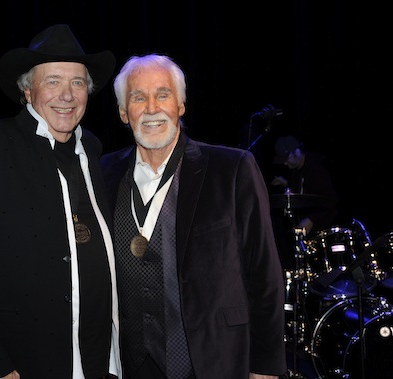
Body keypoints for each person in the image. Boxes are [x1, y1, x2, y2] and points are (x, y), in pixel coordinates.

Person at [0, 24, 122, 379]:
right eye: (53, 81)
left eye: (77, 83)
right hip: (24, 361)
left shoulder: (95, 151)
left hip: (101, 357)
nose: (66, 95)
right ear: (27, 90)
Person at [101, 54, 287, 378]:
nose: (151, 108)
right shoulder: (102, 173)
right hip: (129, 365)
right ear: (122, 113)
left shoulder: (232, 169)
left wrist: (265, 366)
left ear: (181, 105)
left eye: (163, 94)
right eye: (138, 97)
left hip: (213, 360)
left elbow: (265, 274)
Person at [269, 135, 339, 270]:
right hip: (313, 229)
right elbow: (305, 194)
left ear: (296, 152)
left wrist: (311, 220)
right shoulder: (297, 172)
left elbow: (330, 200)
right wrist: (287, 184)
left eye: (286, 158)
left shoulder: (316, 167)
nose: (284, 163)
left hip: (327, 228)